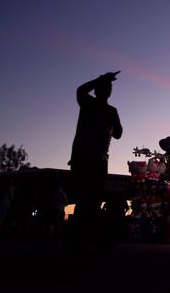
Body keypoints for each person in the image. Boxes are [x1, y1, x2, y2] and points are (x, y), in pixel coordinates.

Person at [68, 71, 123, 252]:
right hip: (91, 158)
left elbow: (118, 134)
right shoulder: (94, 105)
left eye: (109, 86)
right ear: (104, 91)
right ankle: (84, 239)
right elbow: (118, 133)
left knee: (87, 198)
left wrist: (100, 81)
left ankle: (81, 239)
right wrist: (101, 80)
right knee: (89, 198)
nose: (109, 89)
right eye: (108, 87)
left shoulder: (93, 106)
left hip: (87, 157)